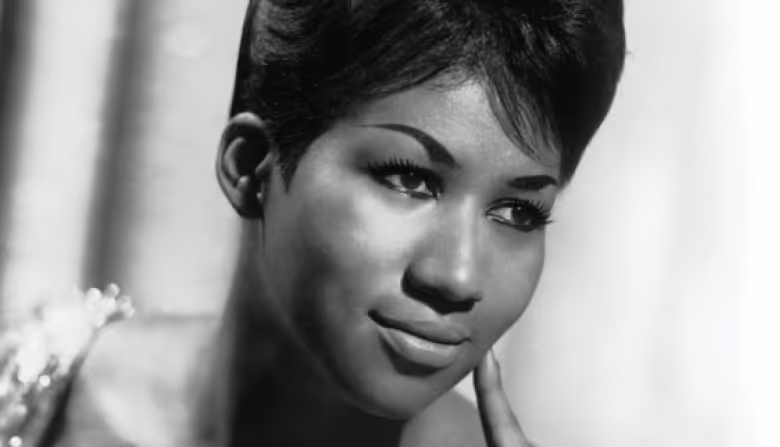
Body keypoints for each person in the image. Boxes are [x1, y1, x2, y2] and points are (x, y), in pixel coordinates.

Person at [0, 0, 625, 445]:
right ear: (250, 165)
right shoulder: (32, 388)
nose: (459, 275)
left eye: (519, 212)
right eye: (410, 178)